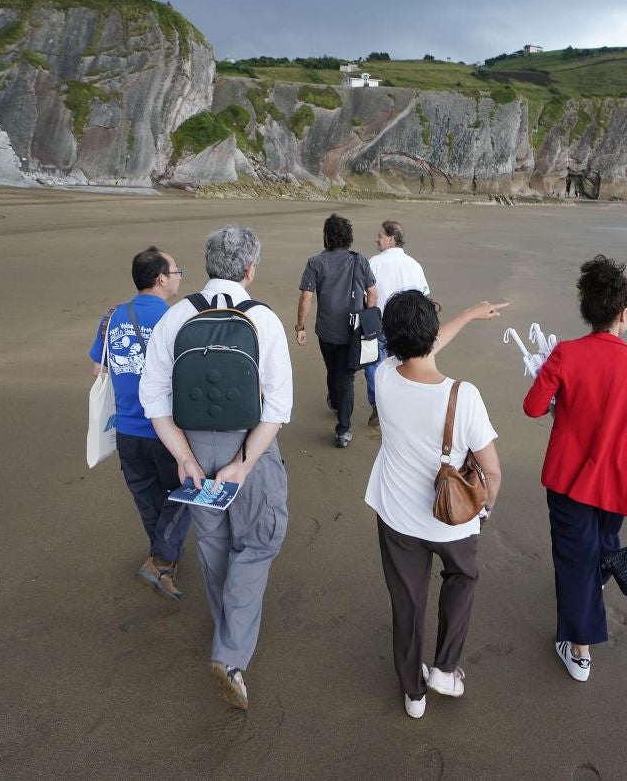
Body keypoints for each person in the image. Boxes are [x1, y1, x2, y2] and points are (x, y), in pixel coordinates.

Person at [138, 225, 293, 711]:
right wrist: (245, 463)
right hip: (249, 443)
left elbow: (154, 400)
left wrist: (184, 457)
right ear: (250, 269)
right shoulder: (262, 319)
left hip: (193, 447)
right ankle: (230, 654)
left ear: (207, 266)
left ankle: (227, 620)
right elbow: (278, 408)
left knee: (213, 540)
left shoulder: (176, 316)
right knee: (262, 536)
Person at [522, 255, 627, 683]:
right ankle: (588, 600)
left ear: (589, 311)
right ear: (623, 314)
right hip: (616, 480)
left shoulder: (566, 354)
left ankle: (580, 649)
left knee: (575, 556)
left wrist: (559, 402)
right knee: (603, 542)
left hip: (568, 476)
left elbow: (532, 407)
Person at [364, 290, 506, 718]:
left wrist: (469, 311)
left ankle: (413, 693)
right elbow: (493, 473)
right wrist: (484, 509)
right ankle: (445, 668)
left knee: (407, 603)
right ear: (430, 334)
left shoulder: (385, 377)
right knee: (463, 576)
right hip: (453, 520)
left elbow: (421, 347)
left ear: (391, 342)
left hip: (396, 515)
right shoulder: (465, 397)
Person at [88, 246, 189, 600]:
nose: (179, 277)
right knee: (185, 493)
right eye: (177, 271)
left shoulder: (112, 317)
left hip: (127, 429)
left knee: (148, 498)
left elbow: (97, 367)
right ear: (161, 278)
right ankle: (161, 559)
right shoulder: (176, 319)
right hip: (167, 429)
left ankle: (164, 558)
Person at [295, 213, 377, 448]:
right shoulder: (359, 260)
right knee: (347, 377)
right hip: (353, 330)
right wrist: (369, 317)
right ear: (347, 237)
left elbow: (306, 297)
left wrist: (300, 326)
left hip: (327, 330)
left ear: (327, 236)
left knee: (333, 370)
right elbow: (372, 293)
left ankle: (335, 403)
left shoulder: (316, 262)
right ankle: (343, 430)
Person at [365, 220, 433, 428]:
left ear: (391, 238)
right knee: (404, 363)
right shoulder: (414, 265)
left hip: (380, 321)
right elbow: (423, 296)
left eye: (380, 235)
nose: (377, 239)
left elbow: (366, 294)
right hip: (408, 323)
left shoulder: (374, 263)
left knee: (374, 362)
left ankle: (379, 405)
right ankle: (402, 403)